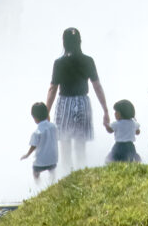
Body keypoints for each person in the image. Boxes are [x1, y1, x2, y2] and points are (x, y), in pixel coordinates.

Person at [46, 28, 110, 171]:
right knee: (80, 145)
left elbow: (53, 89)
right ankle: (81, 170)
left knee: (65, 142)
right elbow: (97, 86)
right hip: (82, 103)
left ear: (64, 43)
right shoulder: (88, 60)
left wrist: (46, 112)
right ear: (80, 42)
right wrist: (105, 110)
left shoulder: (59, 63)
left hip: (65, 103)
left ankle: (66, 172)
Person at [21, 102, 58, 186]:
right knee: (52, 171)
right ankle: (53, 183)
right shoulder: (54, 127)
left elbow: (33, 145)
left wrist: (27, 155)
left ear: (35, 118)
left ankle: (38, 185)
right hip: (53, 159)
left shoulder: (37, 132)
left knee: (35, 171)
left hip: (41, 161)